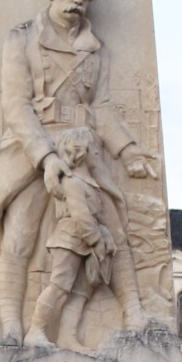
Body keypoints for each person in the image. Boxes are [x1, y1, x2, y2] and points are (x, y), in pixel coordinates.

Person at [0, 0, 158, 345]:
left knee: (113, 225)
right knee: (19, 235)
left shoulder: (95, 49)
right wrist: (47, 158)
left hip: (81, 148)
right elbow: (16, 105)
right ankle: (10, 327)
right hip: (31, 148)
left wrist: (127, 151)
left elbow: (101, 107)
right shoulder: (22, 37)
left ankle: (134, 311)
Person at [26, 128, 127, 350]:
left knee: (81, 292)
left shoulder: (88, 181)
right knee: (59, 286)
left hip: (86, 242)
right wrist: (97, 240)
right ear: (81, 152)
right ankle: (35, 331)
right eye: (94, 149)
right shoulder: (72, 181)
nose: (98, 153)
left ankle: (67, 337)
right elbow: (81, 215)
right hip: (69, 239)